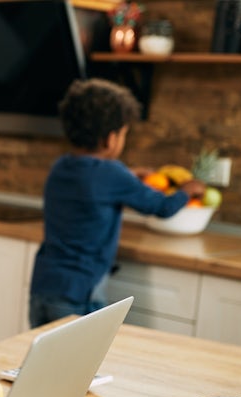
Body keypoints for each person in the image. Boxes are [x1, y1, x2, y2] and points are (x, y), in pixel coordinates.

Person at [29, 78, 205, 328]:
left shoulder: (60, 167)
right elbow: (162, 207)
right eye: (124, 134)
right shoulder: (113, 174)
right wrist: (187, 191)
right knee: (81, 364)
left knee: (45, 362)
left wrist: (129, 176)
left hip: (43, 287)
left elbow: (92, 182)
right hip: (80, 294)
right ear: (111, 139)